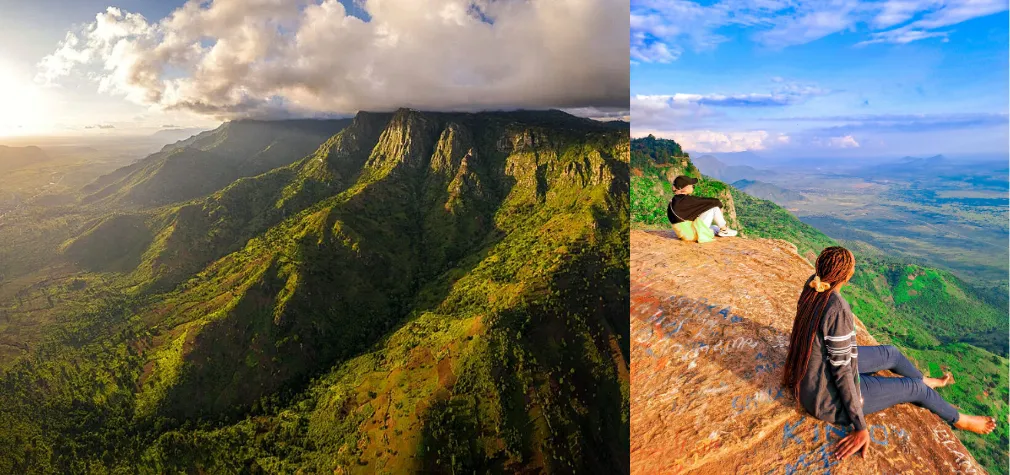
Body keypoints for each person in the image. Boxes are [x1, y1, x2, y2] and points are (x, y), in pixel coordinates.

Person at [782, 246, 996, 461]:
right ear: (847, 275)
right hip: (826, 398)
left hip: (819, 369)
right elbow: (843, 373)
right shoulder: (837, 308)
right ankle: (960, 419)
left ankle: (926, 379)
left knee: (891, 353)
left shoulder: (814, 285)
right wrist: (860, 426)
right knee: (915, 389)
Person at [666, 175, 738, 242]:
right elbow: (715, 202)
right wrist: (719, 206)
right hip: (692, 235)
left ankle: (720, 230)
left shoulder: (675, 201)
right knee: (714, 208)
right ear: (685, 188)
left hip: (684, 234)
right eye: (692, 186)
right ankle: (724, 230)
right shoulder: (687, 200)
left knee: (715, 227)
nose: (693, 187)